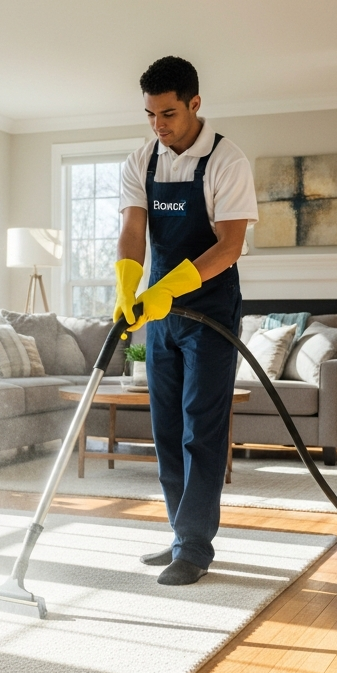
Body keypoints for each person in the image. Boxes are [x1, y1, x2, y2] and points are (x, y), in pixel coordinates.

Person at [114, 56, 258, 586]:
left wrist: (166, 290)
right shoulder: (142, 160)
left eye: (169, 113)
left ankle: (195, 547)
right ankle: (181, 534)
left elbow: (230, 245)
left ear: (195, 103)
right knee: (167, 429)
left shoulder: (227, 160)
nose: (159, 125)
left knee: (201, 426)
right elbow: (133, 230)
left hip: (210, 310)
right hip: (161, 313)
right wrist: (128, 286)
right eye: (151, 114)